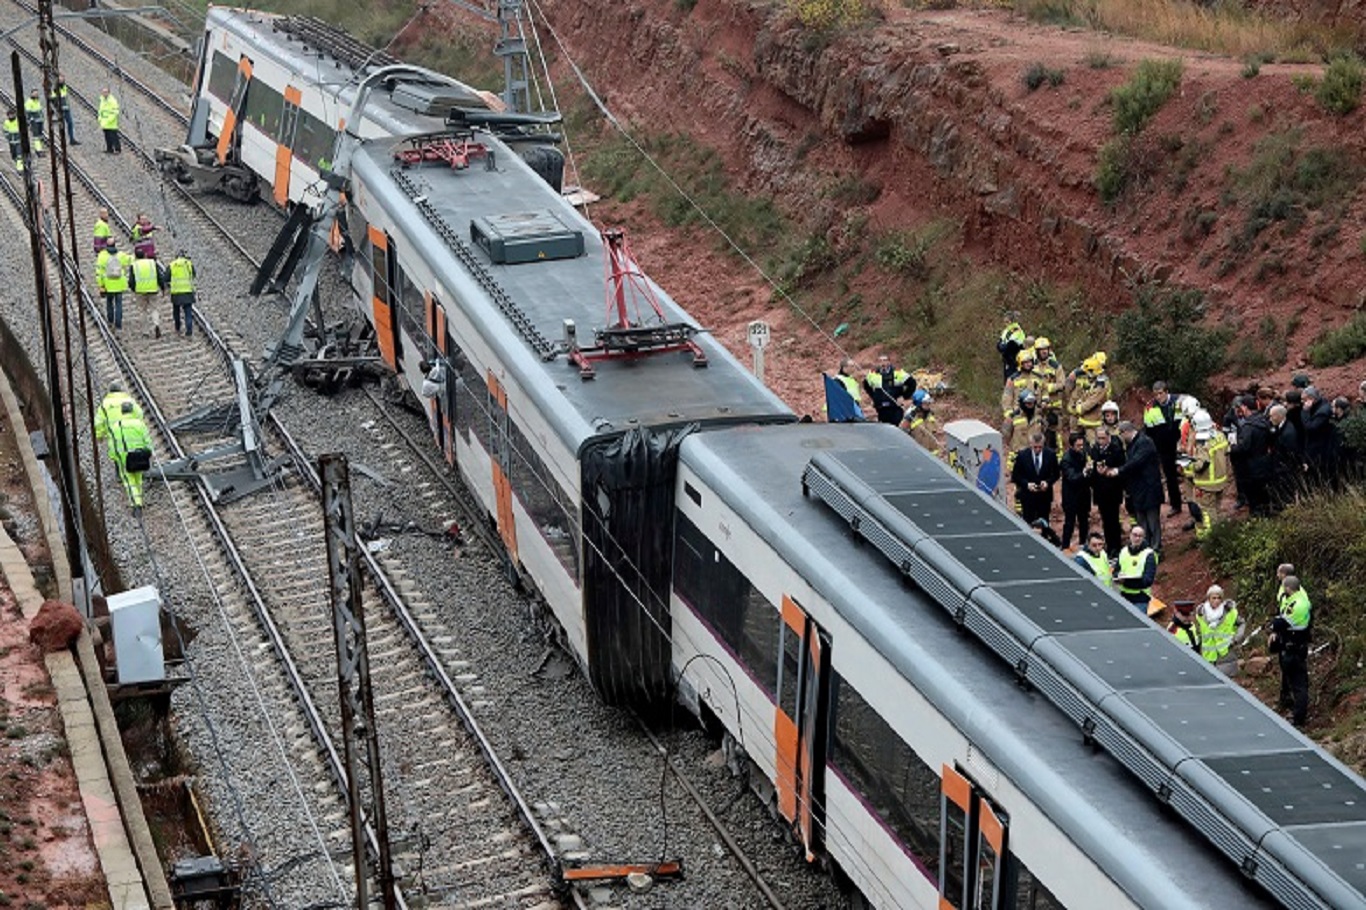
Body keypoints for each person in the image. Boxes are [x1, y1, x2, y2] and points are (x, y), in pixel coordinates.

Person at [1109, 421, 1164, 553]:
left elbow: (1135, 462)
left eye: (1121, 434)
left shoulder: (1144, 442)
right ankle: (1145, 546)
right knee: (1142, 521)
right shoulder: (1133, 444)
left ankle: (1156, 548)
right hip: (1138, 489)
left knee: (1152, 521)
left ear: (1126, 432)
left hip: (1149, 488)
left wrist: (1118, 471)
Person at [1181, 410, 1229, 538]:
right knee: (1217, 509)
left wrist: (1187, 463)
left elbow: (1200, 465)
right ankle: (1220, 533)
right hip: (1221, 480)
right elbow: (1227, 451)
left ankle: (1209, 538)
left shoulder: (1202, 443)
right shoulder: (1220, 435)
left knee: (1206, 512)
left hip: (1206, 484)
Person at [1273, 575, 1312, 727]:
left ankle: (1298, 718)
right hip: (1294, 647)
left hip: (1294, 649)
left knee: (1299, 685)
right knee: (1296, 683)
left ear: (1288, 588)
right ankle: (1295, 712)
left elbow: (1282, 622)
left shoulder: (1298, 604)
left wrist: (1274, 626)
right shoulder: (1300, 598)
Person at [1142, 381, 1183, 515]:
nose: (1159, 397)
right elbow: (1148, 430)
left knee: (1190, 474)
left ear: (1166, 392)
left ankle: (1196, 503)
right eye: (1156, 394)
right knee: (1170, 476)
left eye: (1161, 393)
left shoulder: (1180, 401)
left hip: (1182, 444)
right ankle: (1176, 505)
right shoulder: (1150, 407)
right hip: (1163, 446)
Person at [1229, 395, 1274, 516]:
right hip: (1264, 462)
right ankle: (1266, 516)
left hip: (1250, 467)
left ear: (1244, 407)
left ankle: (1257, 518)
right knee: (1264, 494)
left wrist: (1231, 448)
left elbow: (1244, 447)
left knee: (1253, 497)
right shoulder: (1264, 420)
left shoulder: (1248, 427)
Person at [106, 400, 153, 513]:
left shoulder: (116, 426)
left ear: (122, 412)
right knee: (138, 479)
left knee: (129, 482)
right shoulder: (140, 424)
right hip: (139, 457)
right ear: (132, 411)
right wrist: (148, 452)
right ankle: (139, 500)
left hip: (124, 458)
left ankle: (136, 505)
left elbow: (112, 445)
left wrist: (114, 457)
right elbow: (147, 441)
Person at [1089, 426, 1126, 557]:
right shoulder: (1093, 450)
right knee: (1105, 520)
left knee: (1114, 520)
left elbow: (1122, 467)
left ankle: (1116, 546)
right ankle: (1109, 546)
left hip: (1113, 491)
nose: (1101, 441)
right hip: (1100, 491)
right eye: (1099, 438)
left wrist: (1108, 471)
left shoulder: (1115, 449)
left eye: (1103, 438)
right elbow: (1091, 469)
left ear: (1108, 437)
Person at [1010, 431, 1058, 525]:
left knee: (1044, 524)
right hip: (1028, 497)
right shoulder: (1022, 455)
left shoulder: (1050, 455)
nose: (1037, 449)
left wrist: (1047, 483)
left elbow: (1056, 474)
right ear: (1031, 444)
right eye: (1035, 447)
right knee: (1028, 523)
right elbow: (1016, 476)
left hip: (1044, 497)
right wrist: (1027, 484)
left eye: (1040, 447)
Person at [1059, 431, 1092, 550]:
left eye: (1082, 445)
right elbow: (1072, 477)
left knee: (1084, 522)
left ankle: (1083, 545)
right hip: (1071, 497)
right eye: (1078, 446)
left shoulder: (1083, 454)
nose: (1081, 448)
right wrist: (1084, 472)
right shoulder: (1066, 459)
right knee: (1070, 523)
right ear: (1072, 445)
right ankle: (1065, 546)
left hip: (1083, 495)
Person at [1067, 352, 1109, 442]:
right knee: (1075, 440)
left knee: (1092, 443)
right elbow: (1069, 388)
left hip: (1092, 418)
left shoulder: (1101, 382)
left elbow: (1094, 399)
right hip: (1076, 414)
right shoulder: (1082, 372)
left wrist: (1080, 407)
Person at [1032, 336, 1066, 447]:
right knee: (1037, 434)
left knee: (1056, 435)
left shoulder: (1055, 366)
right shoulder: (1032, 366)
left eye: (1046, 349)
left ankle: (1059, 458)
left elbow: (1062, 384)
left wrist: (1049, 388)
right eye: (1041, 350)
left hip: (1054, 407)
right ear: (1037, 351)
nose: (1044, 352)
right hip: (1037, 407)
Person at [1197, 585, 1240, 670]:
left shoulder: (1230, 612)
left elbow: (1241, 624)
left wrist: (1236, 639)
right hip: (1208, 656)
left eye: (1219, 598)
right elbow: (1200, 632)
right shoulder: (1201, 615)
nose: (1216, 601)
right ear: (1208, 599)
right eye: (1214, 598)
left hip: (1226, 653)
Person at [1268, 403, 1302, 510]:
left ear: (1279, 416)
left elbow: (1291, 453)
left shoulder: (1289, 433)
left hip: (1285, 469)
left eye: (1271, 416)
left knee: (1286, 494)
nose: (1270, 419)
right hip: (1280, 466)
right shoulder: (1281, 426)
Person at [1115, 525, 1158, 609]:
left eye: (1140, 536)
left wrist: (1125, 582)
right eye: (1135, 535)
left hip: (1140, 598)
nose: (1137, 538)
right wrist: (1118, 576)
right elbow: (1116, 571)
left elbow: (1148, 580)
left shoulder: (1149, 554)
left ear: (1143, 537)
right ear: (1130, 536)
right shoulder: (1123, 551)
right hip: (1124, 596)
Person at [1002, 388, 1044, 472]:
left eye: (1032, 403)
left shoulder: (1039, 417)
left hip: (1034, 458)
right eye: (1028, 403)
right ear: (1022, 403)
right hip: (1017, 458)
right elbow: (1006, 436)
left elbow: (1044, 432)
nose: (1030, 406)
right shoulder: (1013, 418)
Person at [1300, 386, 1334, 486]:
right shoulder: (1319, 404)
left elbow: (1310, 427)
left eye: (1304, 399)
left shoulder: (1322, 411)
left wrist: (1305, 411)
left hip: (1319, 449)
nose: (1302, 402)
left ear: (1311, 399)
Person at [130, 250, 167, 338]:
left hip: (140, 291)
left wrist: (134, 289)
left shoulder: (134, 266)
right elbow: (159, 277)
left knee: (143, 311)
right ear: (145, 255)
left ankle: (145, 332)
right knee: (154, 309)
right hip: (153, 290)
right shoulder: (152, 263)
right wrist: (163, 288)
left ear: (135, 256)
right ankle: (156, 324)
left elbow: (131, 281)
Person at [96, 240, 132, 331]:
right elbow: (130, 260)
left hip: (108, 284)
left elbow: (99, 272)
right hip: (119, 284)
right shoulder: (120, 255)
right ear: (115, 245)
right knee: (119, 304)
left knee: (109, 302)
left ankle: (110, 320)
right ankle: (118, 324)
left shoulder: (102, 256)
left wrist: (101, 285)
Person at [1001, 348, 1042, 419]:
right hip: (1019, 415)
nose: (1029, 364)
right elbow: (1007, 397)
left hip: (1036, 414)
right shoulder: (1012, 379)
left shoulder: (1038, 377)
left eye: (1030, 362)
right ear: (1021, 364)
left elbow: (1044, 391)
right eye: (1026, 362)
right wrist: (1009, 413)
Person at [901, 389, 939, 456]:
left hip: (934, 458)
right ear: (919, 404)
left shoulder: (930, 416)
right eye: (926, 403)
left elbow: (937, 434)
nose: (928, 405)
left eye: (929, 403)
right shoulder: (910, 418)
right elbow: (902, 436)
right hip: (919, 457)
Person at [168, 250, 196, 337]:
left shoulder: (172, 265)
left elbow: (166, 277)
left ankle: (177, 327)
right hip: (187, 291)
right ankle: (189, 330)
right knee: (188, 312)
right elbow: (194, 274)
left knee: (176, 311)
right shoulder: (188, 264)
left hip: (176, 292)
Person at [997, 311, 1026, 381]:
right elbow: (1000, 343)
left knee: (1013, 379)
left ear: (1010, 321)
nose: (1005, 323)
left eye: (1006, 321)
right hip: (1007, 359)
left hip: (1014, 359)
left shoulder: (1017, 330)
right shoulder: (1006, 331)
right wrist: (1001, 346)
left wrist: (1003, 347)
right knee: (1007, 380)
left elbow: (1012, 344)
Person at [50, 75, 77, 145]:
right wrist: (58, 107)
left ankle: (72, 139)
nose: (62, 81)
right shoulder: (55, 90)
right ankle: (62, 141)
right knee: (61, 126)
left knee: (70, 123)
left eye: (62, 79)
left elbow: (65, 98)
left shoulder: (64, 87)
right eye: (60, 80)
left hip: (66, 109)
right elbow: (52, 99)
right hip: (61, 110)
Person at [98, 88, 121, 154]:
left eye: (106, 92)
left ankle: (117, 149)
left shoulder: (112, 101)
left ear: (109, 93)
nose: (104, 94)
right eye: (103, 92)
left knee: (114, 136)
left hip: (111, 123)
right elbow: (100, 110)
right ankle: (109, 149)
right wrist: (100, 119)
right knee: (107, 136)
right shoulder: (102, 100)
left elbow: (115, 112)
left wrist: (108, 121)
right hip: (104, 122)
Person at [23, 89, 44, 155]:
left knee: (40, 136)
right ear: (31, 94)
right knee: (36, 136)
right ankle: (38, 151)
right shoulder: (29, 102)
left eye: (37, 93)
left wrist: (42, 118)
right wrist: (30, 120)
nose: (36, 95)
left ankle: (40, 149)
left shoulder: (37, 101)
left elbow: (40, 111)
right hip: (34, 122)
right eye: (34, 93)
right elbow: (28, 113)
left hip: (40, 121)